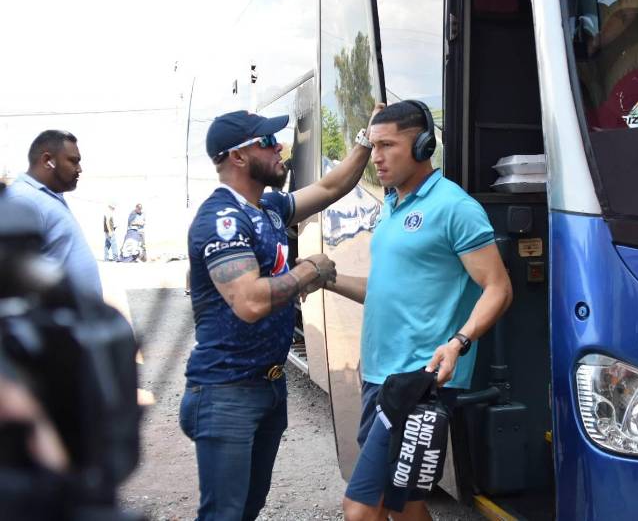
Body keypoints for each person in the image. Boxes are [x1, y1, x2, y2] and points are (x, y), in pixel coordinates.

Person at [180, 105, 383, 521]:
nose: (281, 148)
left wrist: (366, 140)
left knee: (247, 508)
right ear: (238, 156)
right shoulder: (222, 219)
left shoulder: (267, 208)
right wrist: (310, 269)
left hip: (267, 387)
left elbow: (329, 188)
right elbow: (250, 302)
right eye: (269, 142)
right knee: (224, 514)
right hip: (227, 390)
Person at [324, 101, 513, 521]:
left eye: (388, 145)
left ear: (424, 145)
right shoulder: (390, 207)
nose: (376, 157)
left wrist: (459, 342)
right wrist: (326, 279)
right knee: (404, 503)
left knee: (359, 509)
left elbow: (498, 288)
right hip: (379, 375)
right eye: (373, 146)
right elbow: (384, 289)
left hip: (417, 380)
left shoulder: (454, 207)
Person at [5, 130, 102, 300]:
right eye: (73, 161)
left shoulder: (46, 196)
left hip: (79, 320)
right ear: (47, 160)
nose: (79, 169)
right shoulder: (22, 199)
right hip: (57, 322)